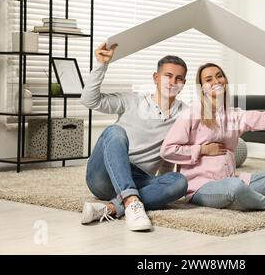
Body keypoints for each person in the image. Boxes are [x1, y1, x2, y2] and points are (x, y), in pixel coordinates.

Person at [160, 62, 265, 230]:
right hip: (201, 187)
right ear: (202, 88)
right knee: (235, 188)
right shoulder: (192, 113)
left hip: (231, 178)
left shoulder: (234, 115)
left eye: (219, 76)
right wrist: (202, 150)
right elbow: (167, 150)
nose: (216, 81)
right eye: (209, 79)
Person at [80, 42, 188, 231]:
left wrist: (165, 184)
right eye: (168, 76)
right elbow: (89, 100)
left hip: (139, 178)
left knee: (179, 181)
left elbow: (171, 152)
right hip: (103, 175)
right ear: (156, 77)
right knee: (114, 131)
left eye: (178, 79)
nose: (172, 82)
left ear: (183, 84)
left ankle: (112, 207)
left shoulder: (184, 114)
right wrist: (101, 64)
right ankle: (130, 201)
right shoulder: (132, 100)